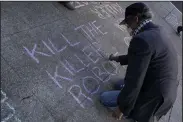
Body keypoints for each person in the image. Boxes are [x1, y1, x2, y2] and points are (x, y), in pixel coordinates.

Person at [100, 2, 178, 122]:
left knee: (104, 98)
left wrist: (122, 108)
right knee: (117, 85)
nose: (128, 27)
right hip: (166, 91)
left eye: (128, 23)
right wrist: (117, 59)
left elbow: (135, 81)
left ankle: (137, 113)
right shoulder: (157, 30)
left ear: (136, 19)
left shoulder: (142, 40)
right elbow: (139, 57)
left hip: (154, 97)